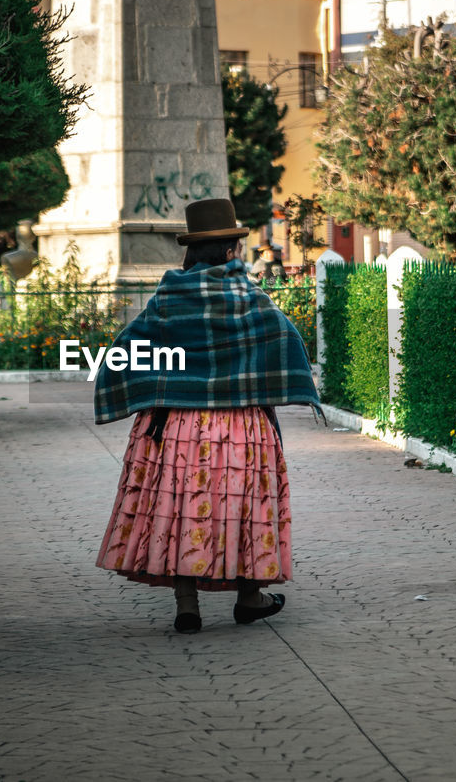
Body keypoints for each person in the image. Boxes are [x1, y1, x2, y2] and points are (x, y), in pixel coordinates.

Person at [93, 198, 321, 634]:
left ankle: (187, 606)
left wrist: (149, 385)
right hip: (239, 426)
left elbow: (126, 349)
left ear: (191, 251)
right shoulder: (247, 296)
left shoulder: (169, 297)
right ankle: (250, 597)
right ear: (231, 250)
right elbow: (284, 338)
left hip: (175, 426)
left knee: (181, 509)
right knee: (242, 507)